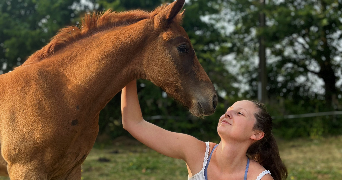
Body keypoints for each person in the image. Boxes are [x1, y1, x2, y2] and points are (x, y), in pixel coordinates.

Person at [121, 80, 288, 180]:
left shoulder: (259, 178)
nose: (228, 113)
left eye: (239, 113)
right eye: (229, 109)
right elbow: (134, 123)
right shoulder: (196, 152)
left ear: (256, 134)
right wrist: (129, 74)